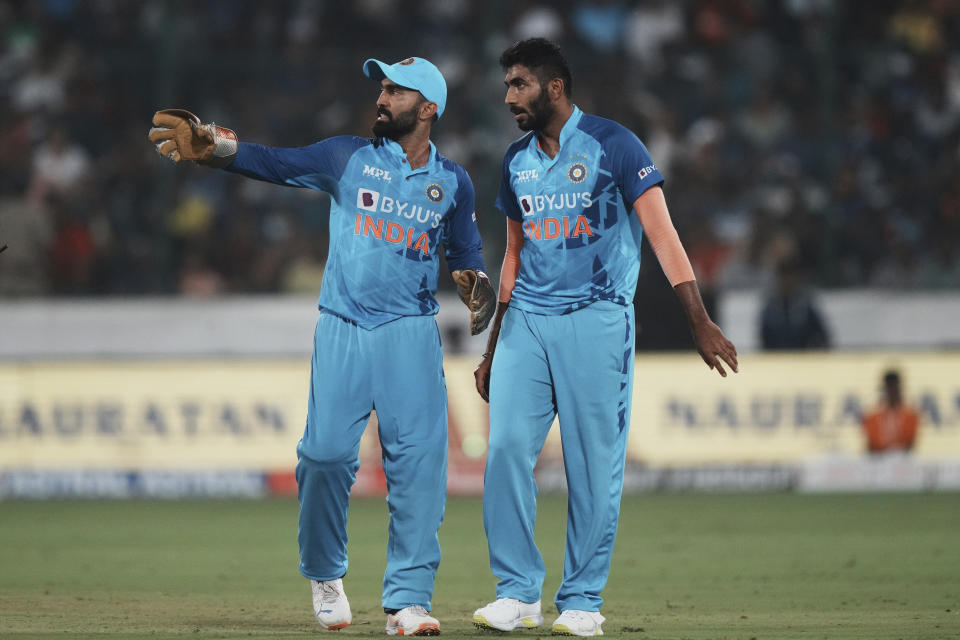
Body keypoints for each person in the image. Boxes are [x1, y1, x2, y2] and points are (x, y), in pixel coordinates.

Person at [148, 56, 495, 636]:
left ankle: (407, 602)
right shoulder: (345, 156)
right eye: (381, 88)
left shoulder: (454, 182)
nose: (382, 98)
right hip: (345, 326)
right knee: (324, 456)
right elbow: (273, 163)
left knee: (420, 469)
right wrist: (213, 148)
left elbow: (464, 252)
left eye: (396, 91)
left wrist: (474, 280)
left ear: (428, 108)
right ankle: (326, 574)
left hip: (411, 333)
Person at [471, 38, 738, 637]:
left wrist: (698, 318)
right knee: (508, 451)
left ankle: (582, 600)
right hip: (528, 323)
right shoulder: (515, 160)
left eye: (520, 84)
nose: (509, 95)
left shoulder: (616, 145)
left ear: (555, 87)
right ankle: (516, 593)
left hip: (598, 319)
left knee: (593, 466)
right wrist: (492, 347)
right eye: (508, 84)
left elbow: (664, 235)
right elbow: (512, 253)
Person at [759, 257, 830, 350]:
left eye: (790, 276)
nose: (787, 282)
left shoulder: (806, 307)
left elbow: (821, 336)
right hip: (777, 360)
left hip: (803, 359)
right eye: (784, 277)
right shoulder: (770, 309)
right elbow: (765, 340)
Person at [862, 369, 920, 453]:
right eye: (889, 388)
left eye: (894, 388)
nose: (892, 392)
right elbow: (870, 445)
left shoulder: (910, 415)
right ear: (884, 389)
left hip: (902, 459)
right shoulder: (872, 416)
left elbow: (910, 443)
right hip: (878, 460)